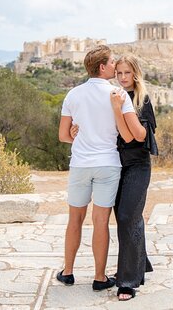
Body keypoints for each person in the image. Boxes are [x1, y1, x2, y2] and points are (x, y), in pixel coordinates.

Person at [57, 45, 144, 291]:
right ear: (103, 67)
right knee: (101, 221)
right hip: (108, 165)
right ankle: (99, 277)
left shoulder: (73, 94)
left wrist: (78, 136)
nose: (116, 66)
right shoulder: (118, 94)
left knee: (75, 219)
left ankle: (68, 272)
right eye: (113, 61)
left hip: (81, 165)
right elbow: (129, 136)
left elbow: (63, 135)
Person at [110, 55, 158, 301]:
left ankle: (127, 281)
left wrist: (119, 110)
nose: (122, 78)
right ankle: (141, 262)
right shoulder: (113, 96)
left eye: (126, 73)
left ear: (135, 74)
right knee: (124, 217)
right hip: (116, 164)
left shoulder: (142, 99)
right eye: (118, 73)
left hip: (138, 165)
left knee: (129, 215)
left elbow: (137, 136)